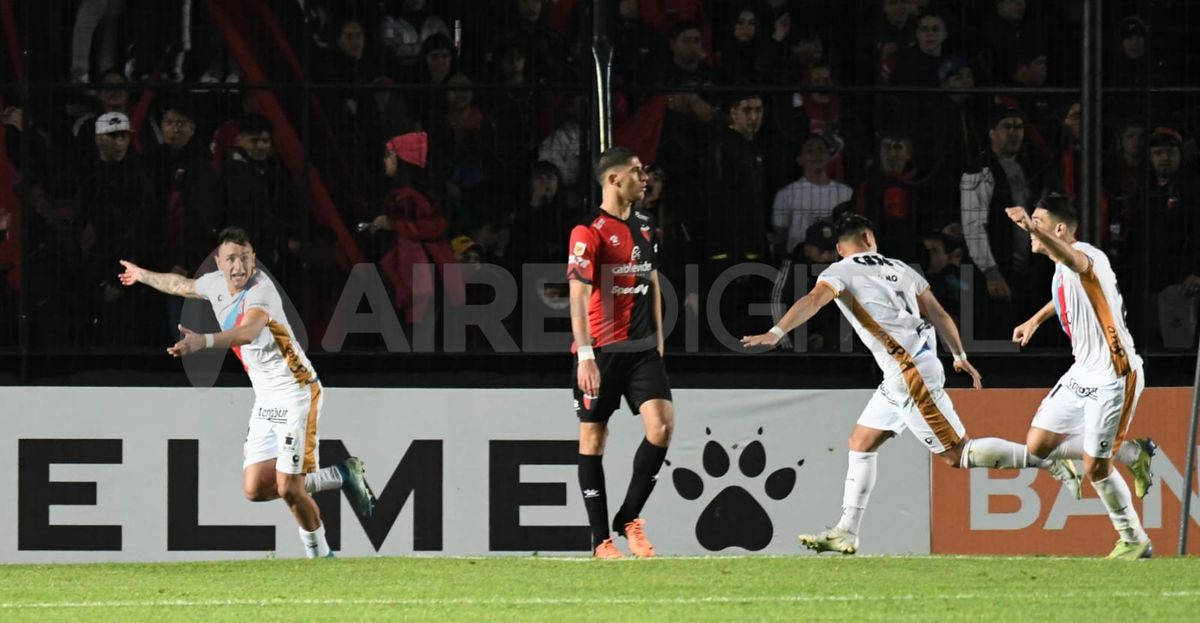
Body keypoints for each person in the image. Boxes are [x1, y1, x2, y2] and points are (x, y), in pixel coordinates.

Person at [741, 214, 1074, 555]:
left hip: (908, 372)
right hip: (910, 366)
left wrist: (776, 331)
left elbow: (813, 301)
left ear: (841, 248)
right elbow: (939, 313)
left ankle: (1042, 459)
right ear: (870, 238)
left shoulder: (839, 271)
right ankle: (846, 531)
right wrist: (958, 354)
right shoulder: (901, 268)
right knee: (861, 442)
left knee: (958, 455)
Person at [117, 227, 376, 558]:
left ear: (254, 260)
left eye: (244, 258)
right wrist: (141, 275)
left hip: (296, 392)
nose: (238, 266)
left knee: (289, 488)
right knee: (254, 489)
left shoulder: (261, 291)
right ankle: (341, 474)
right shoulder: (213, 284)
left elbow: (249, 332)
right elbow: (179, 284)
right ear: (219, 263)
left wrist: (204, 341)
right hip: (266, 399)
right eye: (231, 259)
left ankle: (321, 557)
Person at [1002, 196, 1156, 559]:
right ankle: (1134, 452)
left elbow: (1077, 263)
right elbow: (1066, 295)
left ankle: (1134, 539)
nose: (1031, 231)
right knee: (1038, 445)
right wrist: (1034, 321)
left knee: (1095, 466)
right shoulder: (1061, 266)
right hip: (1082, 371)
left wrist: (1029, 224)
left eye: (1039, 223)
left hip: (1115, 374)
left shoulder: (1086, 254)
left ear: (1059, 230)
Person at [567, 147, 674, 559]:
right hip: (602, 350)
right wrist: (586, 355)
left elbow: (652, 283)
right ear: (614, 180)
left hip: (643, 349)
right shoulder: (588, 232)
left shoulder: (646, 226)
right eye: (636, 171)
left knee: (661, 426)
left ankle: (628, 517)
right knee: (594, 437)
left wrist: (660, 337)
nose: (644, 177)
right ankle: (600, 540)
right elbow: (577, 296)